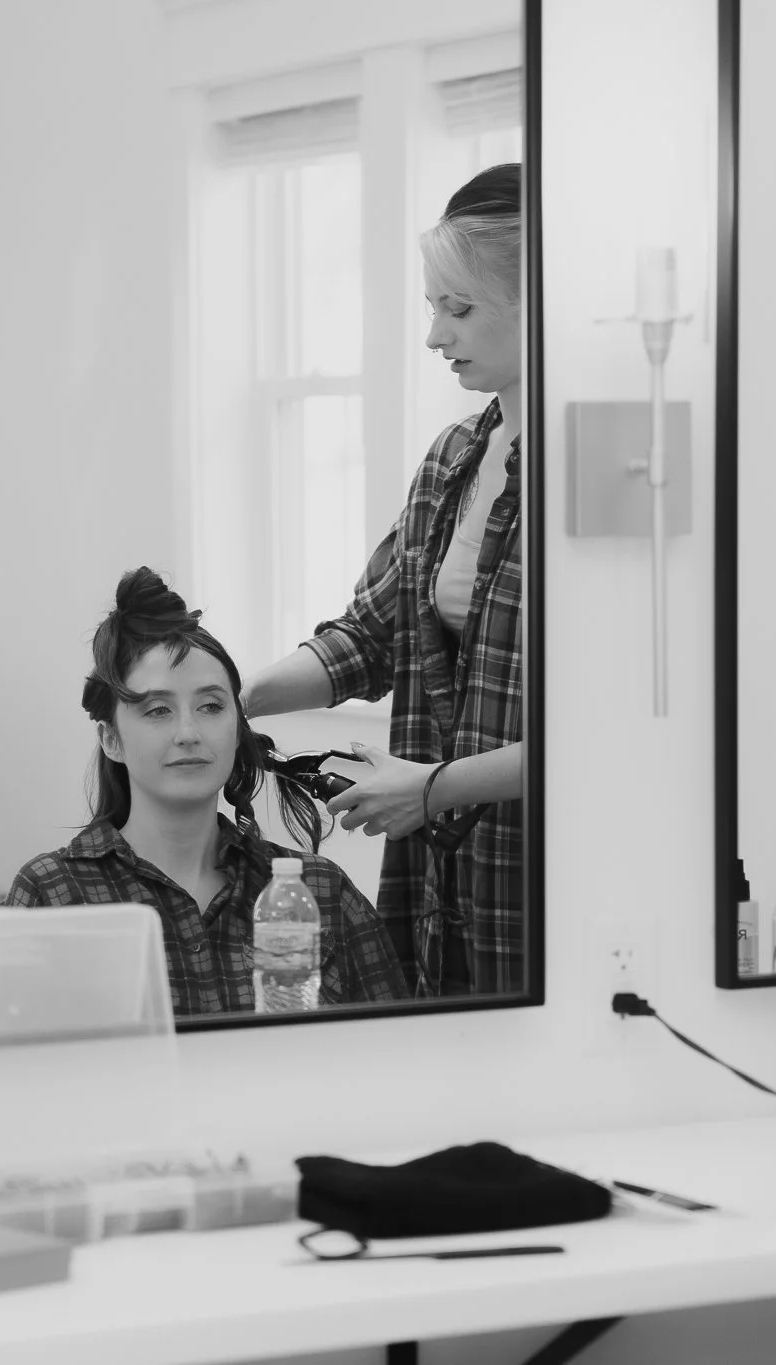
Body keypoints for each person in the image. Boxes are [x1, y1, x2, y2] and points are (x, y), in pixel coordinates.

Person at [240, 163, 525, 998]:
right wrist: (239, 695)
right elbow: (373, 634)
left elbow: (602, 735)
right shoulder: (452, 460)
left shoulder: (596, 472)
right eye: (434, 307)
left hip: (538, 867)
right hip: (445, 880)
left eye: (458, 308)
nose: (436, 335)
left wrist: (433, 789)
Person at [4, 567, 406, 1018]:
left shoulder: (319, 891)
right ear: (110, 739)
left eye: (211, 706)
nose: (188, 732)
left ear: (237, 728)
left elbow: (399, 1061)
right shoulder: (53, 894)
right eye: (157, 710)